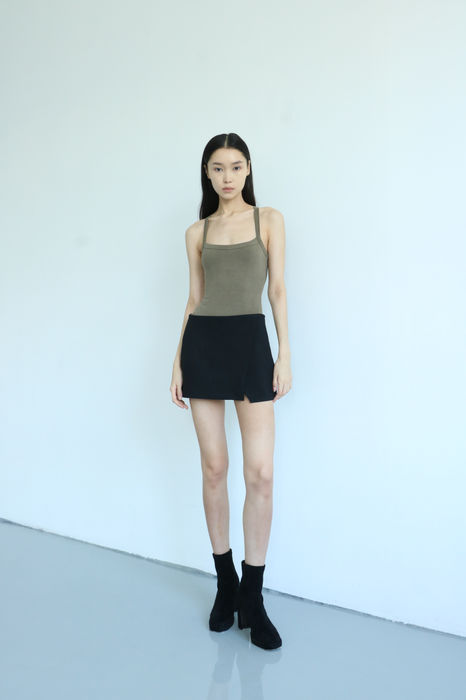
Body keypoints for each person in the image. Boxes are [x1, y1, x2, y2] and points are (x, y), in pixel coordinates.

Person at [170, 133, 292, 650]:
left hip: (250, 346)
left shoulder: (269, 220)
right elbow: (194, 298)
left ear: (248, 169)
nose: (227, 176)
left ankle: (253, 597)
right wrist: (177, 361)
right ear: (207, 172)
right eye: (218, 168)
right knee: (214, 469)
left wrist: (284, 353)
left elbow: (277, 289)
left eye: (236, 167)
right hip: (203, 346)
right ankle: (225, 585)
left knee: (260, 474)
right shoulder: (197, 231)